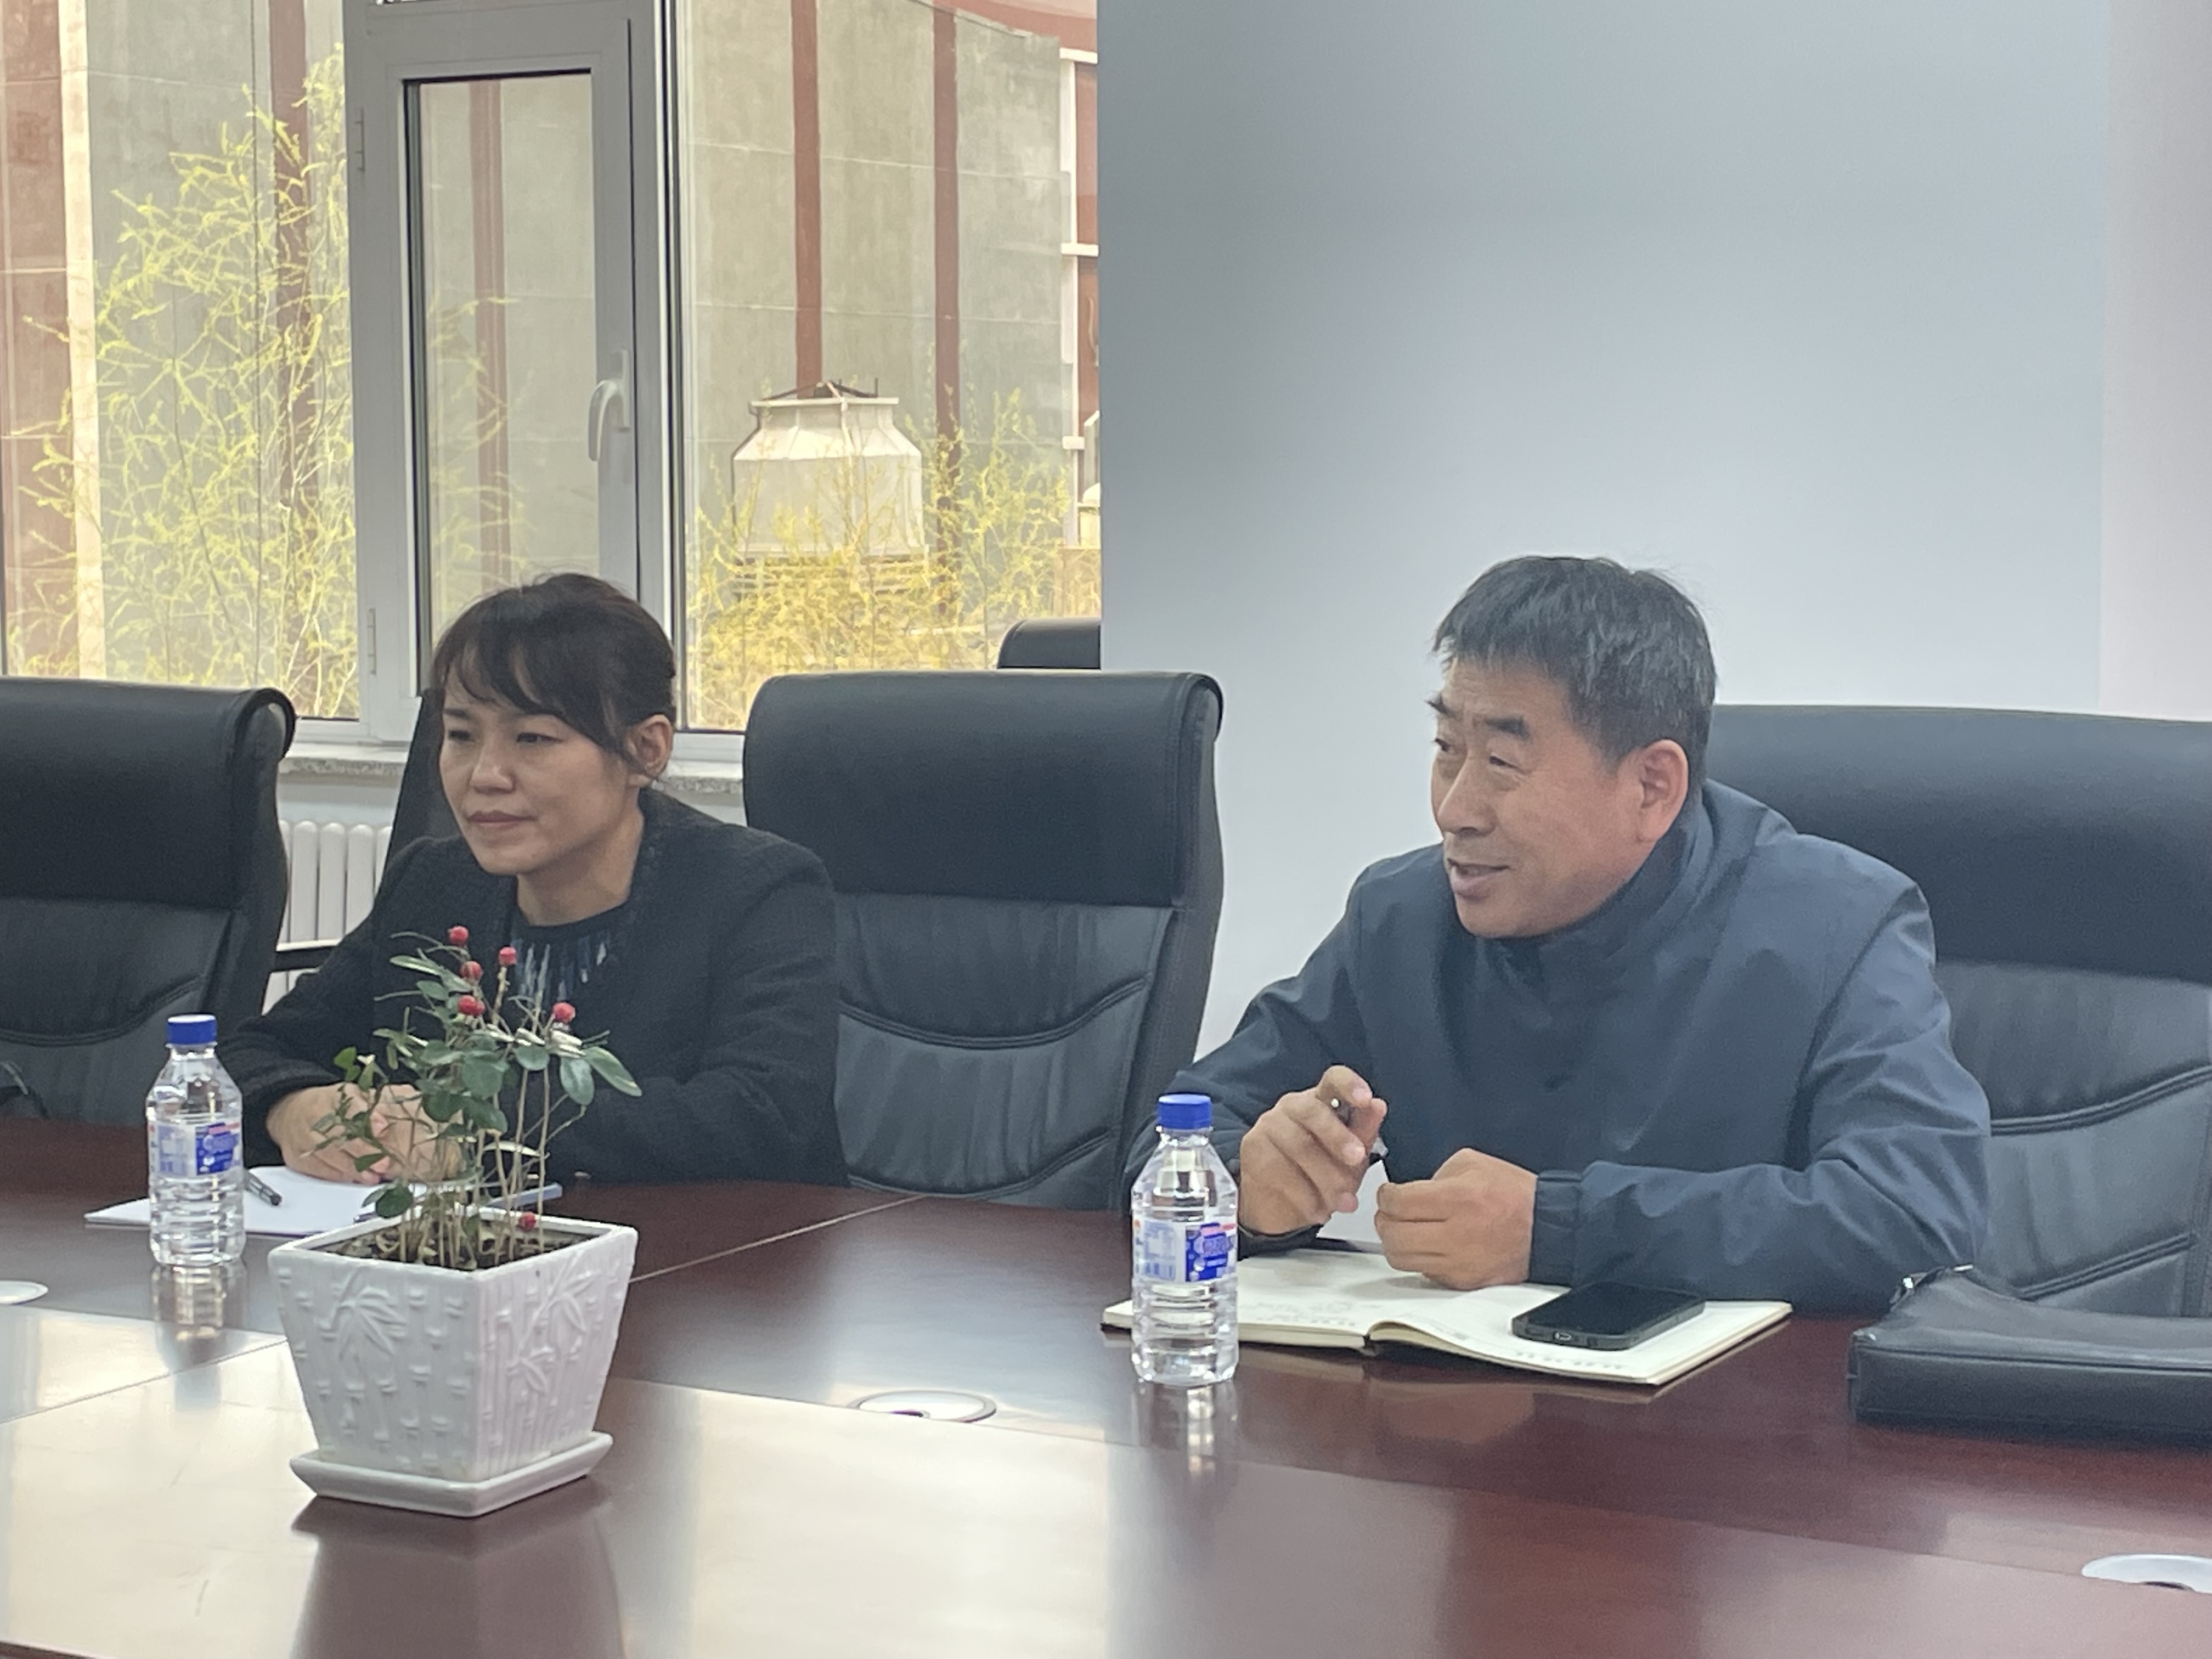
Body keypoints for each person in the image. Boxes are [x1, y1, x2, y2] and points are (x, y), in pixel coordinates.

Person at [1156, 556, 1988, 1311]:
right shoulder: (1402, 919)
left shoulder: (1838, 925)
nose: (1454, 810)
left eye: (1502, 764)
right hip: (1449, 1416)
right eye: (1446, 748)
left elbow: (1916, 1213)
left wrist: (1556, 1229)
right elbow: (1170, 1141)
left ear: (1652, 787)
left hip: (1736, 1420)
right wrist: (1247, 1186)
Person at [224, 574, 847, 1188]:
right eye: (461, 735)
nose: (485, 775)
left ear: (645, 751)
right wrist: (292, 1108)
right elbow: (245, 1056)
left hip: (721, 1248)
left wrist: (478, 1128)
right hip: (461, 1249)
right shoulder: (431, 885)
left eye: (533, 738)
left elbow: (761, 1118)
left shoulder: (757, 890)